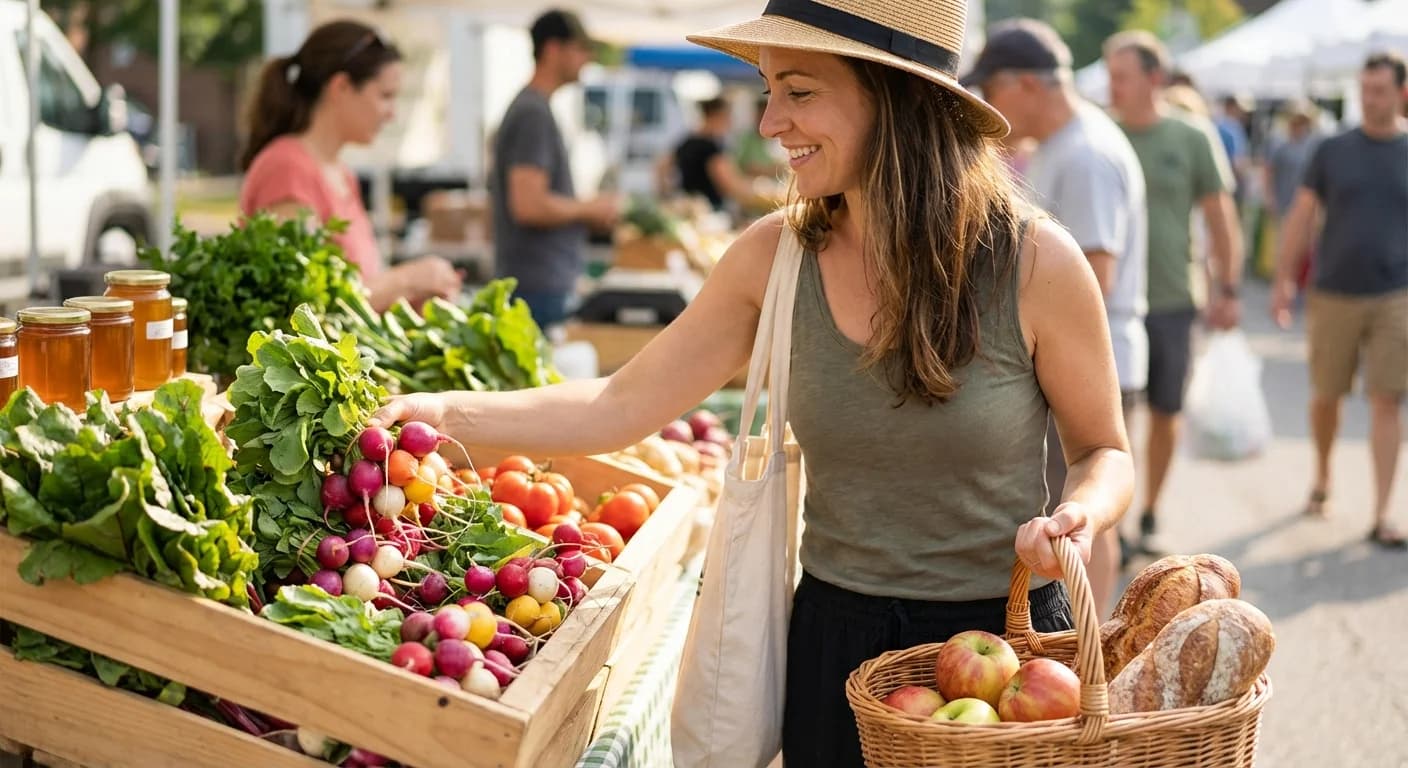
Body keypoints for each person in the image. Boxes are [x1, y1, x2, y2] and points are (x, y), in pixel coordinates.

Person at [371, 1, 1134, 764]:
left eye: (799, 92)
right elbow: (620, 404)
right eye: (769, 91)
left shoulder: (1037, 264)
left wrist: (1079, 514)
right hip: (836, 648)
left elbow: (1104, 449)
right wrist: (440, 412)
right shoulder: (774, 257)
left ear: (897, 99)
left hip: (1010, 649)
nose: (770, 123)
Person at [963, 18, 1147, 618]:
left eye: (990, 90)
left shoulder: (1086, 154)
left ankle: (1084, 642)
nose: (989, 108)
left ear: (1023, 85)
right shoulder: (1068, 144)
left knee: (1080, 512)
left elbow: (1096, 273)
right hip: (1079, 355)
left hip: (1087, 358)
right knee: (1075, 511)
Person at [1104, 30, 1243, 557]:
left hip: (1172, 300)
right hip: (1111, 304)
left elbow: (1220, 216)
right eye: (1111, 76)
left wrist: (1228, 287)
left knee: (1165, 411)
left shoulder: (1191, 136)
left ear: (1154, 79)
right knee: (1112, 419)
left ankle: (1150, 512)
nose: (1112, 86)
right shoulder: (1102, 133)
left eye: (1122, 76)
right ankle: (1111, 522)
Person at [1271, 52, 1408, 549]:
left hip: (1396, 292)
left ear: (1401, 92)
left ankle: (1382, 512)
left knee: (1387, 398)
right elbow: (1302, 215)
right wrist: (1285, 278)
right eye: (1365, 89)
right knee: (1327, 397)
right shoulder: (1333, 150)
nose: (1370, 100)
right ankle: (1324, 477)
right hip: (1332, 292)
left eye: (1380, 91)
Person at [239, 21, 462, 312]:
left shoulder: (341, 173)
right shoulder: (286, 168)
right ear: (341, 87)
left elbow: (358, 290)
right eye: (385, 96)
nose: (392, 114)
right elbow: (303, 302)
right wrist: (407, 279)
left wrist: (409, 299)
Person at [491, 9, 619, 329]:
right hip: (537, 287)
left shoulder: (536, 108)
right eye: (580, 48)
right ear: (552, 49)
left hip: (540, 282)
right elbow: (529, 205)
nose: (587, 58)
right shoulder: (532, 113)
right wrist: (588, 209)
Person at [661, 97, 758, 212]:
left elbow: (662, 166)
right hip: (710, 209)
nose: (730, 121)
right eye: (728, 116)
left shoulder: (688, 140)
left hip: (689, 205)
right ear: (717, 115)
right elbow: (728, 184)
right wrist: (756, 193)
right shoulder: (712, 146)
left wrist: (666, 194)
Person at [1266, 99, 1322, 290]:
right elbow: (1269, 172)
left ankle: (1299, 280)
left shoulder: (1313, 144)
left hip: (1308, 205)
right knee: (1286, 242)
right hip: (1286, 200)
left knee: (1307, 244)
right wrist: (1270, 197)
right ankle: (1284, 280)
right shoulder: (1280, 144)